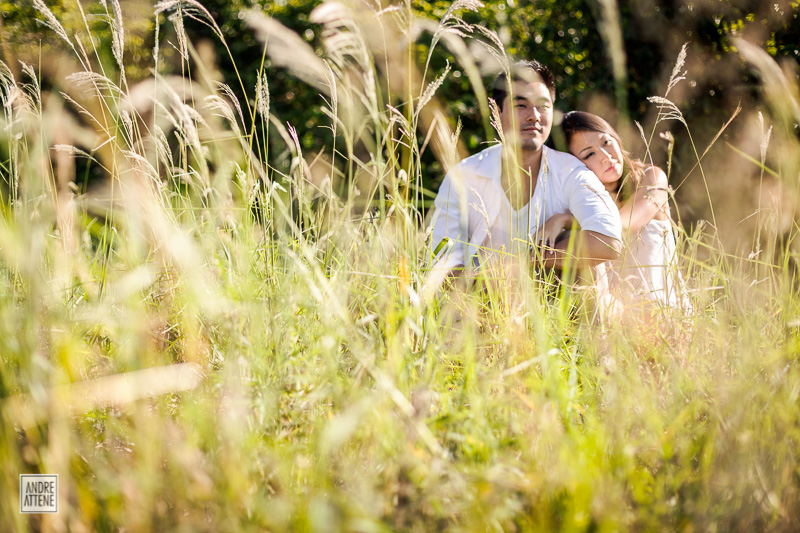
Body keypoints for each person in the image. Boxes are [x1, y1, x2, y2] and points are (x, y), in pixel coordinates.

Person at [427, 61, 622, 290]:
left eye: (543, 106)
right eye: (521, 106)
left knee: (582, 258)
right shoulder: (465, 176)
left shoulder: (571, 171)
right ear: (497, 113)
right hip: (484, 301)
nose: (534, 116)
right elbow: (443, 259)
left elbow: (607, 242)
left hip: (555, 302)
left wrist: (521, 264)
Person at [537, 110, 688, 314]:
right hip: (616, 322)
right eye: (589, 154)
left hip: (664, 318)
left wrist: (564, 220)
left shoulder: (651, 178)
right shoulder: (577, 204)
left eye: (606, 142)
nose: (606, 156)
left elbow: (619, 228)